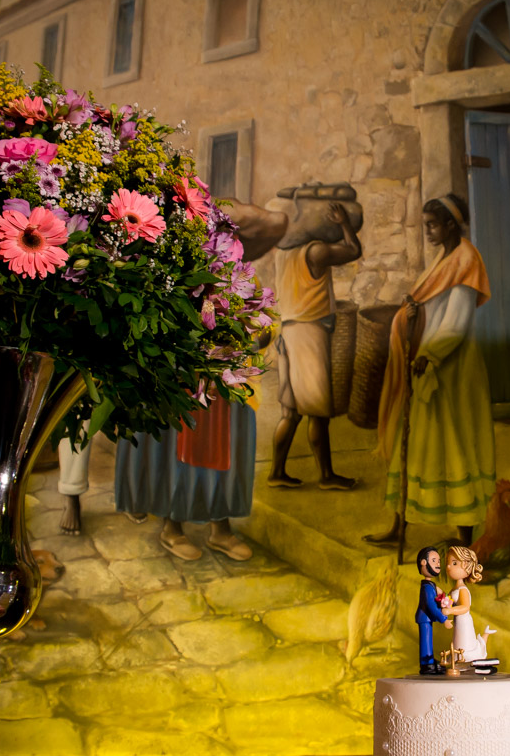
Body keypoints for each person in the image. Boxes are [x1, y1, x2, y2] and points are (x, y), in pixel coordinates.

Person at [114, 200, 287, 561]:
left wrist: (255, 334)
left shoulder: (244, 276)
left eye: (231, 237)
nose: (225, 243)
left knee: (229, 457)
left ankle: (221, 530)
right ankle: (172, 527)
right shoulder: (183, 272)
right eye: (218, 235)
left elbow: (266, 318)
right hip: (188, 382)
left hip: (230, 383)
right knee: (179, 457)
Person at [364, 194, 495, 549]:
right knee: (413, 445)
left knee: (454, 446)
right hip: (427, 362)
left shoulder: (466, 260)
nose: (428, 232)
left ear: (451, 225)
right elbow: (428, 305)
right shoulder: (444, 258)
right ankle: (399, 527)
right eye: (425, 225)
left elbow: (457, 321)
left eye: (432, 225)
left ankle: (464, 537)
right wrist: (412, 315)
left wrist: (430, 355)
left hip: (451, 368)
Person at [267, 201, 362, 490]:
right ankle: (326, 476)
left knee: (290, 412)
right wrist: (344, 223)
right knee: (318, 412)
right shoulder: (315, 251)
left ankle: (276, 473)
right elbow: (354, 250)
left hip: (288, 332)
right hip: (309, 333)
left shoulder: (283, 253)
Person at [442, 545, 494, 662]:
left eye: (454, 563)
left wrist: (450, 610)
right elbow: (448, 602)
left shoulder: (463, 590)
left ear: (465, 565)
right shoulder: (454, 589)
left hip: (464, 622)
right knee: (457, 643)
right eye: (448, 563)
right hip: (457, 622)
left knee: (464, 644)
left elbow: (465, 607)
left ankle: (468, 657)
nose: (449, 566)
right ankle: (459, 660)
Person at [415, 546, 451, 675]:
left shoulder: (431, 585)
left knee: (428, 640)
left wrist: (447, 599)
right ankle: (426, 664)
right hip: (424, 617)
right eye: (434, 560)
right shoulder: (426, 587)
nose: (438, 564)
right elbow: (430, 605)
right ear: (423, 562)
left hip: (426, 618)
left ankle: (429, 661)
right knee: (426, 640)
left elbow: (442, 594)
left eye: (439, 561)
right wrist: (443, 619)